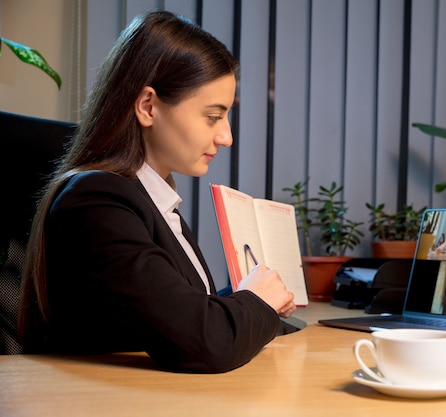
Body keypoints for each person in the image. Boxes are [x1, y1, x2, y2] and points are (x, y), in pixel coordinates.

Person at [17, 11, 296, 373]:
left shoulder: (151, 199)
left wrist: (249, 299)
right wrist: (255, 302)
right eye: (213, 116)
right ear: (148, 106)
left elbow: (172, 314)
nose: (226, 136)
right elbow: (206, 343)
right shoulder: (97, 201)